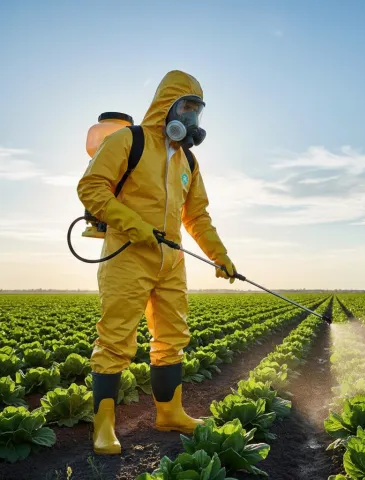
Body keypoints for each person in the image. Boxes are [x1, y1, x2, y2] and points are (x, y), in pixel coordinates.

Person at [77, 70, 236, 455]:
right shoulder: (128, 141)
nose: (192, 118)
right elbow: (91, 187)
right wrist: (133, 225)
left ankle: (170, 413)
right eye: (187, 107)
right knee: (115, 340)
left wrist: (220, 255)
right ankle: (104, 428)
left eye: (198, 111)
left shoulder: (188, 163)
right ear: (167, 106)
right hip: (128, 255)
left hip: (171, 260)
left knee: (172, 337)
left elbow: (196, 217)